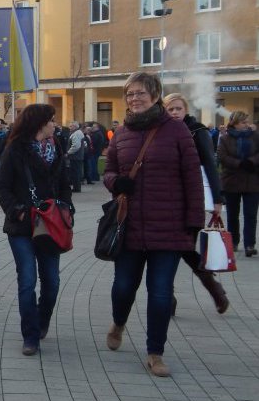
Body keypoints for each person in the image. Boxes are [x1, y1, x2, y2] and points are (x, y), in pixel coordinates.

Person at [103, 72, 202, 377]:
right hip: (129, 225)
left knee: (160, 293)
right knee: (122, 288)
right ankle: (119, 322)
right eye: (130, 93)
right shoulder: (121, 133)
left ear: (156, 95)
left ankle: (155, 352)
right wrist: (116, 182)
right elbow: (109, 171)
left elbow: (192, 178)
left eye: (140, 93)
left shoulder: (177, 131)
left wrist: (194, 221)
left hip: (168, 227)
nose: (135, 98)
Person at [0, 104, 72, 356]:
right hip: (22, 226)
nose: (54, 124)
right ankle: (30, 336)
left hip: (50, 225)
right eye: (51, 120)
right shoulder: (14, 149)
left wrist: (67, 208)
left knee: (52, 281)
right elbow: (1, 187)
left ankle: (42, 320)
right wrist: (17, 210)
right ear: (39, 124)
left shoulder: (56, 148)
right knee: (27, 280)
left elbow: (63, 184)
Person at [163, 93, 228, 313]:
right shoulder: (160, 130)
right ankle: (167, 297)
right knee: (166, 250)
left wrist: (218, 199)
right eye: (170, 109)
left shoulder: (197, 131)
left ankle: (212, 287)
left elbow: (210, 164)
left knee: (184, 248)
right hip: (165, 200)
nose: (174, 113)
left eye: (178, 109)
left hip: (193, 199)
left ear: (186, 110)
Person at [217, 110, 259, 257]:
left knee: (251, 215)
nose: (247, 125)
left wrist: (251, 161)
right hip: (232, 180)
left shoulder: (255, 136)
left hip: (252, 180)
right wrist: (239, 163)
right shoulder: (225, 137)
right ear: (235, 123)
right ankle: (233, 242)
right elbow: (222, 156)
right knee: (232, 215)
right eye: (243, 122)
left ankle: (249, 245)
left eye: (247, 122)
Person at [66, 121, 85, 193]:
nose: (69, 128)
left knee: (75, 173)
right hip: (78, 156)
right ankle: (77, 187)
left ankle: (76, 188)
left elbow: (76, 146)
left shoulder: (76, 134)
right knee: (77, 172)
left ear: (75, 127)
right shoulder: (79, 133)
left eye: (71, 126)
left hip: (75, 156)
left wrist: (68, 152)